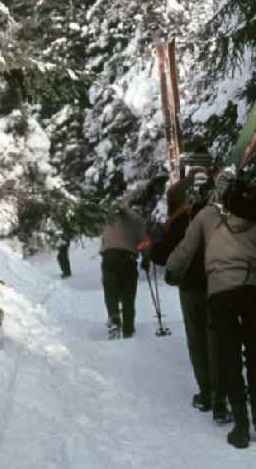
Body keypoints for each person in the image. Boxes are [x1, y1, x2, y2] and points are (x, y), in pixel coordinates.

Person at [165, 172, 256, 449]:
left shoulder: (206, 216)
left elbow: (185, 250)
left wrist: (172, 271)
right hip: (252, 292)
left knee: (229, 356)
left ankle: (241, 427)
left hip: (220, 293)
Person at [149, 147, 231, 425]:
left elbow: (163, 251)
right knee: (221, 338)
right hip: (222, 281)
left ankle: (207, 394)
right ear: (210, 167)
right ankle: (225, 396)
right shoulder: (224, 195)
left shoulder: (176, 195)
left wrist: (157, 246)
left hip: (191, 283)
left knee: (198, 342)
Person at [99, 191, 148, 339]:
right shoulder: (136, 221)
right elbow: (145, 242)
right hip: (128, 258)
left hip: (109, 257)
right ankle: (128, 329)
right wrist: (145, 258)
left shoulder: (108, 218)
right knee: (128, 296)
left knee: (110, 291)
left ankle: (114, 320)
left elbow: (100, 233)